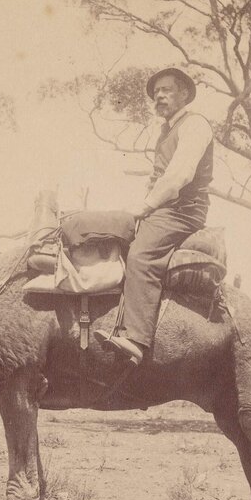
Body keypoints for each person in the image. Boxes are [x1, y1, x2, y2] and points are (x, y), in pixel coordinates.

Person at [96, 67, 214, 365]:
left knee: (142, 256)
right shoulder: (166, 130)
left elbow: (179, 175)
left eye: (167, 90)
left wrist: (145, 206)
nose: (159, 96)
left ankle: (135, 338)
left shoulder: (195, 124)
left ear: (184, 93)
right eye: (156, 92)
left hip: (182, 211)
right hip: (165, 207)